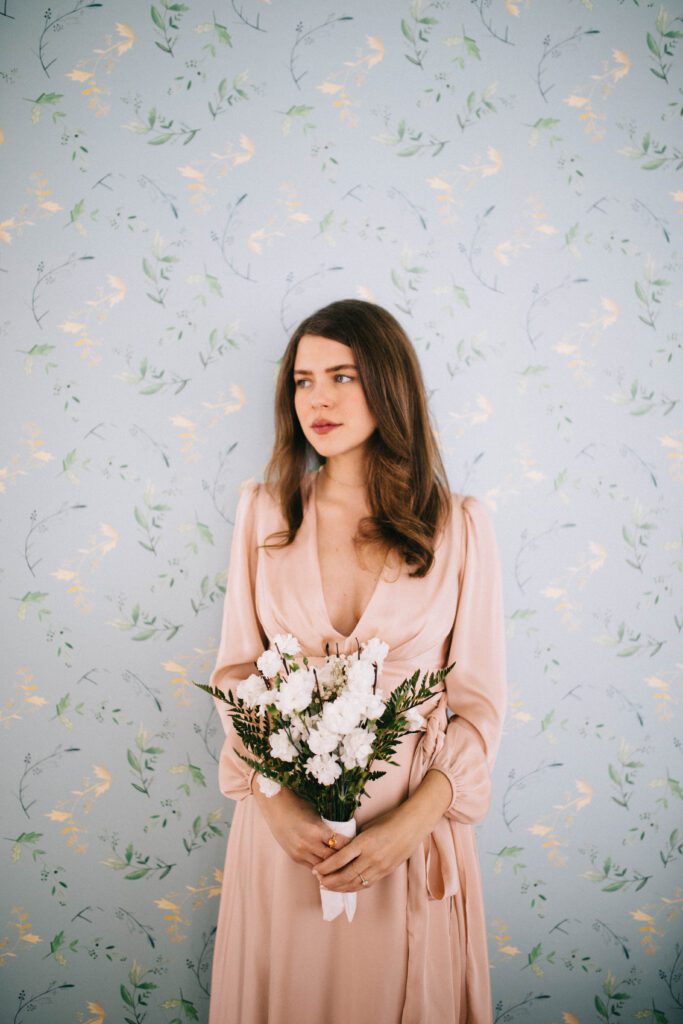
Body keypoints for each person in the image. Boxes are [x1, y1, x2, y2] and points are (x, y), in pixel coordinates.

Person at [207, 298, 507, 1024]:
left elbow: (478, 705)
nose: (319, 398)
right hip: (286, 840)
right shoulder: (263, 512)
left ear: (388, 383)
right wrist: (273, 805)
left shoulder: (458, 525)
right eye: (303, 381)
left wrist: (409, 826)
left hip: (409, 837)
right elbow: (235, 676)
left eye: (341, 375)